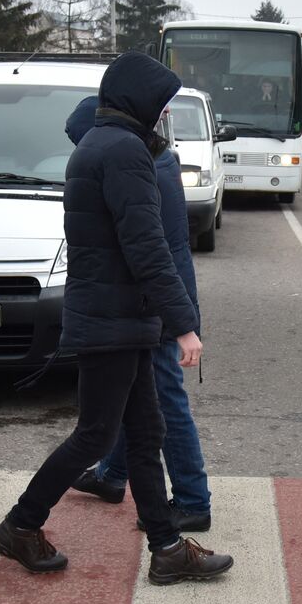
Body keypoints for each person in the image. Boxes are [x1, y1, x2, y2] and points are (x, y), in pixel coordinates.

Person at [0, 53, 233, 585]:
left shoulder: (104, 144)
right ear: (139, 99)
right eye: (162, 102)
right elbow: (146, 248)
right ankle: (20, 525)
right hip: (114, 319)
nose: (165, 112)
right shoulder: (123, 151)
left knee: (145, 433)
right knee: (96, 436)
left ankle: (166, 548)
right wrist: (185, 324)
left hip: (120, 317)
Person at [67, 97, 213, 532]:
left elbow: (147, 251)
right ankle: (113, 475)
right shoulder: (156, 158)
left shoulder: (141, 168)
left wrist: (179, 322)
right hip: (164, 295)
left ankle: (192, 500)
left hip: (161, 300)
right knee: (139, 396)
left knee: (164, 401)